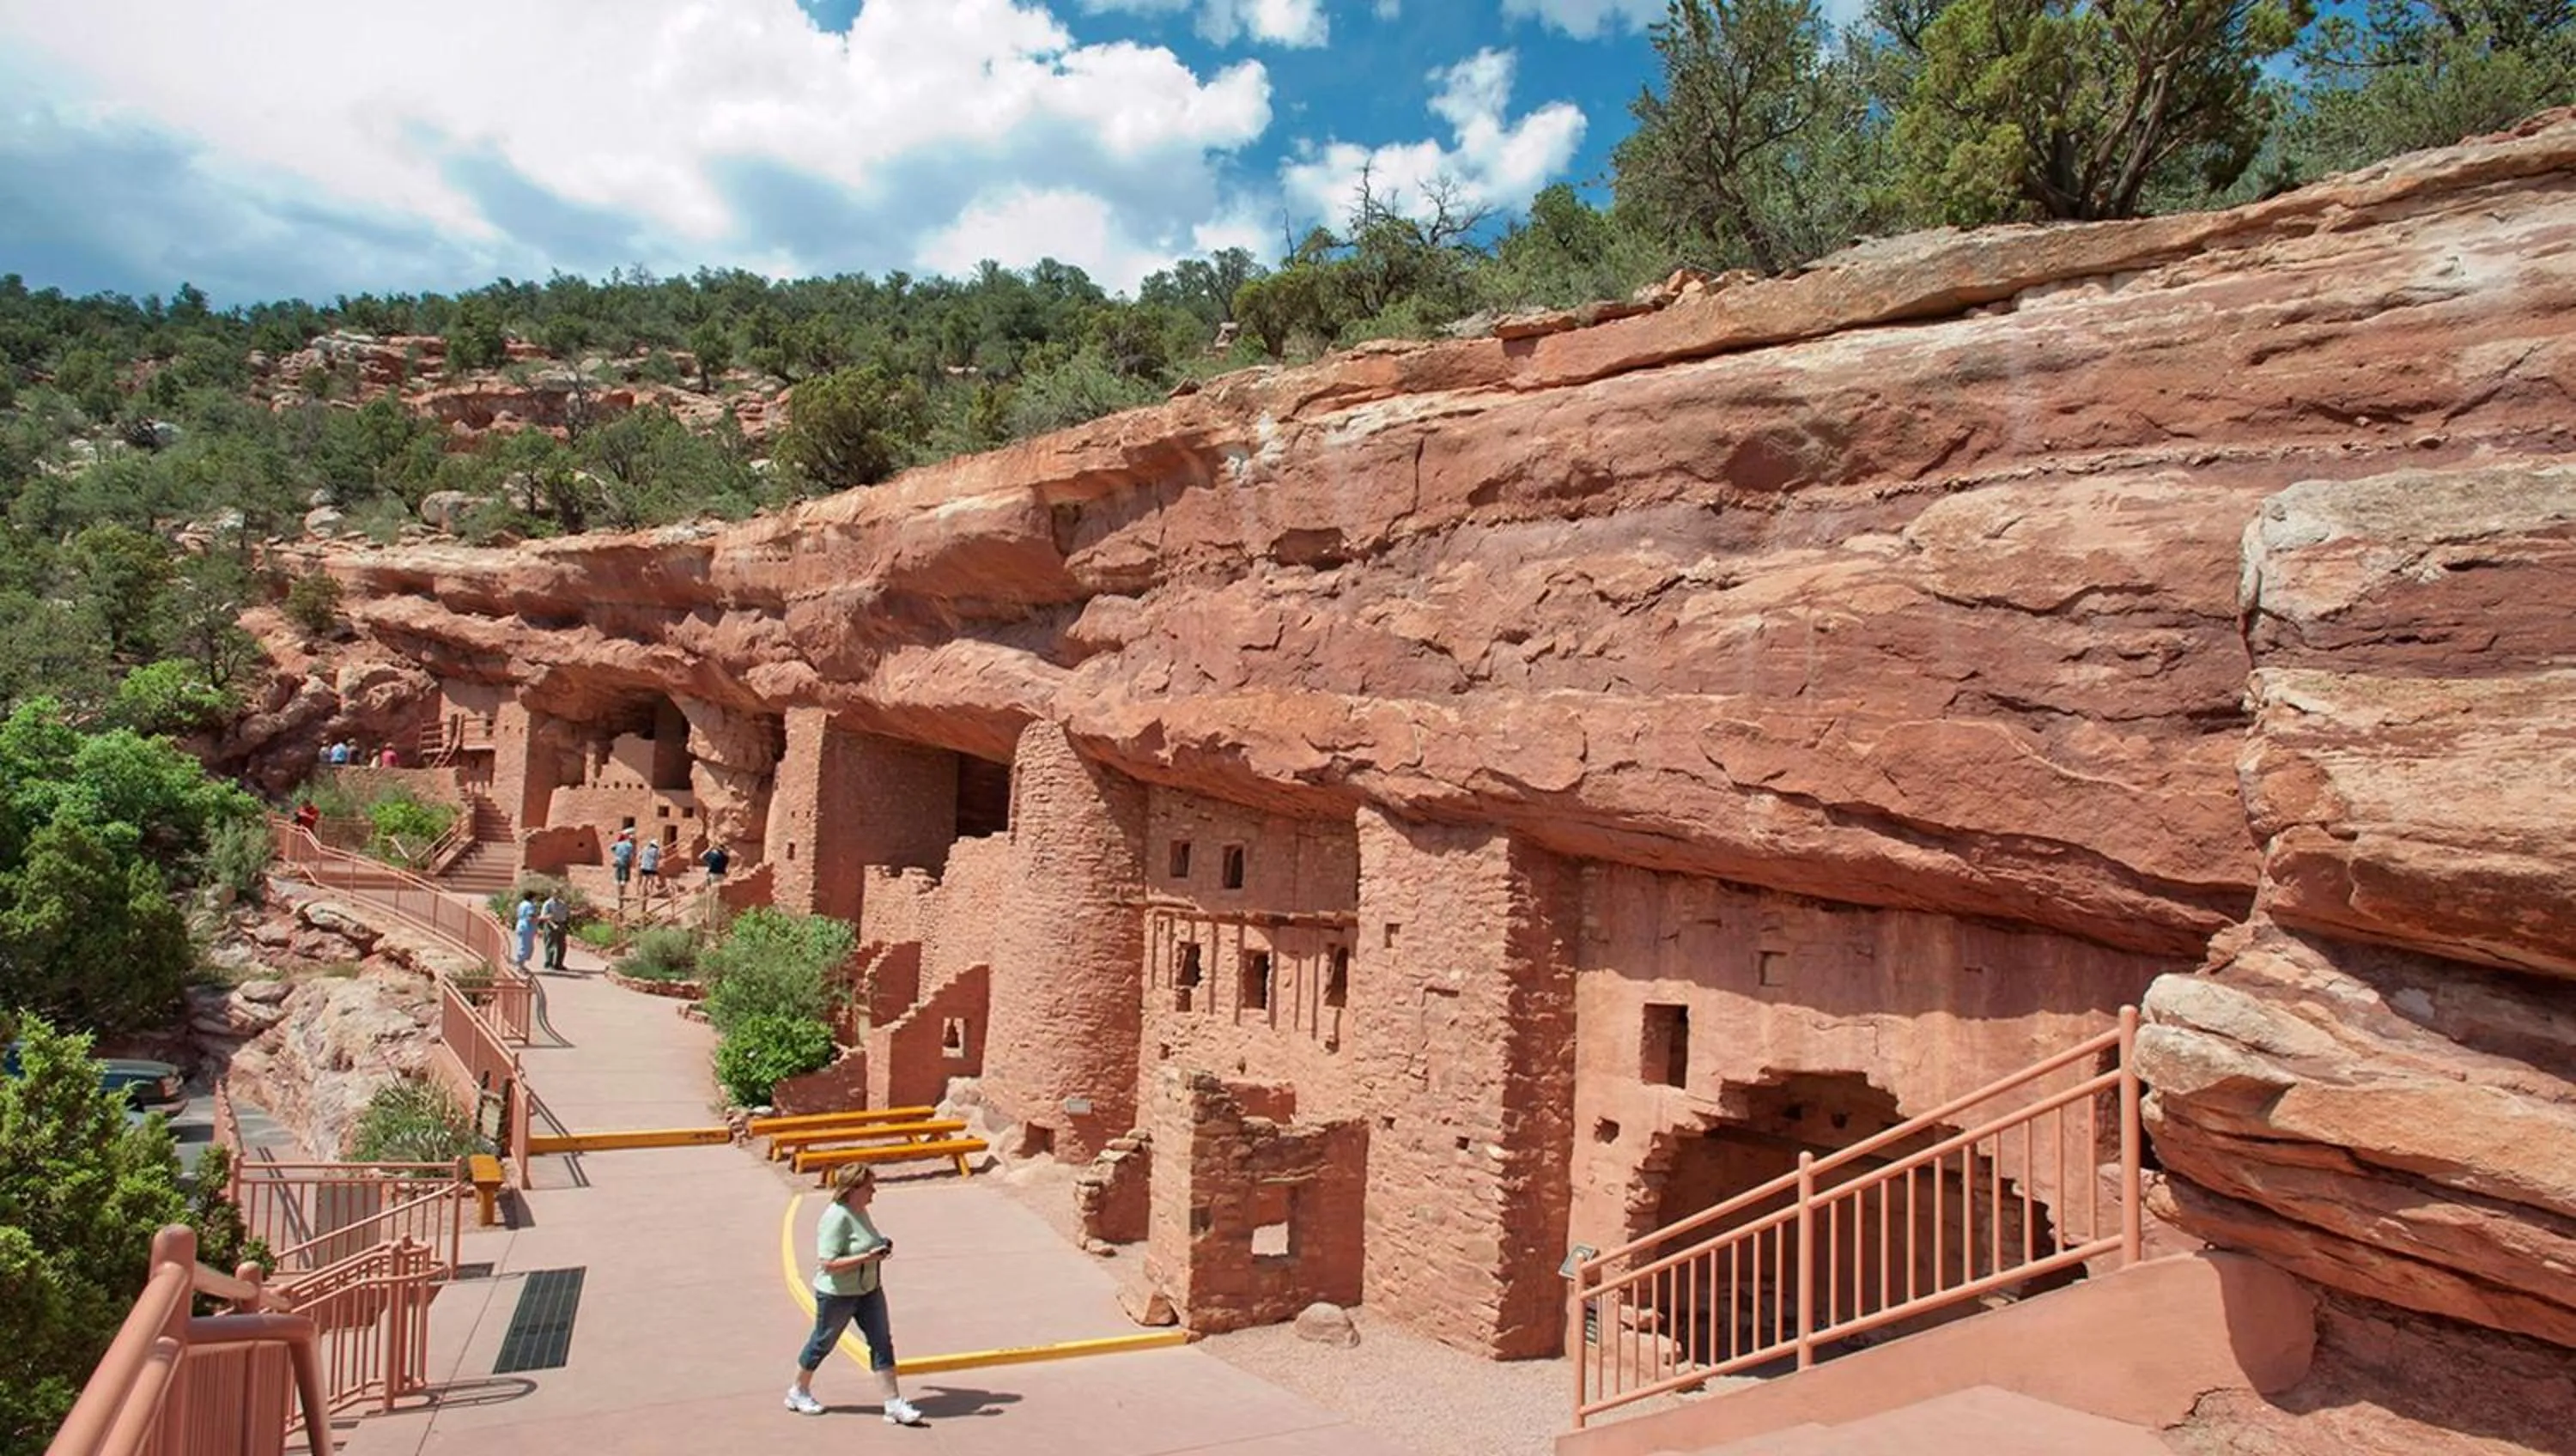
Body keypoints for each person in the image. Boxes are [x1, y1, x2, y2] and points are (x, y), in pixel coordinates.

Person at [786, 1165, 925, 1425]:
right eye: (869, 1187)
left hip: (869, 1290)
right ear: (853, 1189)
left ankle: (893, 1402)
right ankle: (798, 1390)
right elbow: (828, 1263)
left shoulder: (860, 1211)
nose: (874, 1192)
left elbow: (865, 1241)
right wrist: (867, 1257)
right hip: (838, 1294)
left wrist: (881, 1245)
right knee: (823, 1341)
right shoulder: (835, 1217)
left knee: (881, 1342)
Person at [539, 890, 569, 972]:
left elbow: (566, 914)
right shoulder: (548, 904)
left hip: (561, 924)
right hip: (551, 925)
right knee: (550, 944)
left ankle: (559, 964)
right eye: (555, 894)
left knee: (562, 945)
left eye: (559, 894)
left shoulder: (562, 903)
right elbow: (544, 916)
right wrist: (553, 925)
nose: (557, 895)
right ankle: (549, 963)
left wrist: (564, 924)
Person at [512, 892, 538, 970]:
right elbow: (530, 917)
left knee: (523, 945)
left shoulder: (522, 904)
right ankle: (519, 964)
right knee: (525, 946)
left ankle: (521, 964)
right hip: (527, 927)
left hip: (521, 925)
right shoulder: (530, 906)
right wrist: (541, 918)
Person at [610, 828, 635, 907]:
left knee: (618, 879)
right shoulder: (629, 845)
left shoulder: (619, 843)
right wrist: (632, 862)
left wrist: (616, 854)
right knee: (624, 880)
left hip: (617, 861)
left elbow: (611, 847)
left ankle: (619, 895)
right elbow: (631, 855)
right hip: (625, 862)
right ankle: (622, 895)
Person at [637, 835, 662, 901]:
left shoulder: (645, 848)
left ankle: (643, 892)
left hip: (644, 866)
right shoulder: (656, 850)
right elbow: (658, 857)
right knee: (651, 880)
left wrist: (641, 862)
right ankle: (650, 893)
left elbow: (639, 855)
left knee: (645, 880)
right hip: (652, 867)